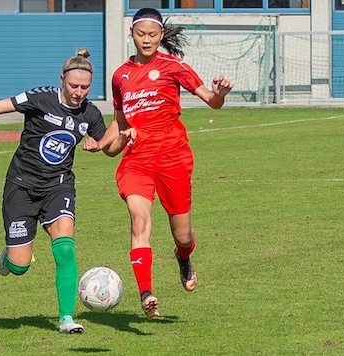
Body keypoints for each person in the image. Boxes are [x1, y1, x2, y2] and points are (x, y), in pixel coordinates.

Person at [0, 49, 127, 334]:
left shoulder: (90, 113)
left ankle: (66, 318)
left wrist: (123, 138)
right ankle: (10, 256)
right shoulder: (41, 98)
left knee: (65, 248)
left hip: (58, 186)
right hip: (21, 185)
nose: (78, 92)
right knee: (19, 267)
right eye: (73, 86)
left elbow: (109, 150)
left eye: (85, 87)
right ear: (62, 80)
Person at [84, 8, 234, 319]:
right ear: (132, 34)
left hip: (173, 159)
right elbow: (120, 120)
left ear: (161, 35)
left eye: (153, 34)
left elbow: (211, 100)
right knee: (139, 223)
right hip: (136, 160)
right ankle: (146, 293)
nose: (147, 40)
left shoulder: (173, 66)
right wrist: (101, 143)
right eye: (141, 34)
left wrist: (220, 95)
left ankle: (184, 257)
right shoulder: (120, 76)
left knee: (183, 235)